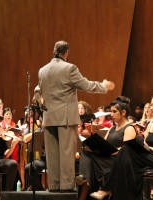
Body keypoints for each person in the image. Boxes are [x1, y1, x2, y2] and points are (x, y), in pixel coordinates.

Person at [34, 40, 115, 192]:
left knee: (52, 155)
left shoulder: (42, 70)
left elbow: (37, 90)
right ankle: (66, 187)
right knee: (66, 154)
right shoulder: (69, 68)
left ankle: (54, 186)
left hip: (49, 117)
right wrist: (104, 86)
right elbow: (86, 85)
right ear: (67, 52)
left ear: (54, 50)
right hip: (65, 117)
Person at [90, 92, 153, 200]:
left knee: (126, 150)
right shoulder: (151, 124)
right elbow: (145, 145)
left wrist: (150, 149)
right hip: (148, 157)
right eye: (150, 105)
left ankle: (108, 189)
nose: (151, 108)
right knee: (126, 151)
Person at [75, 96, 137, 200]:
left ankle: (86, 180)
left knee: (89, 160)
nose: (111, 114)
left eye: (114, 112)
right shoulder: (112, 128)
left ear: (123, 112)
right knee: (86, 152)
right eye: (111, 111)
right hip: (107, 157)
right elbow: (104, 143)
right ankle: (84, 178)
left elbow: (126, 151)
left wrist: (112, 151)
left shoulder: (129, 128)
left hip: (117, 161)